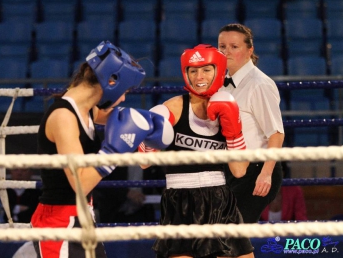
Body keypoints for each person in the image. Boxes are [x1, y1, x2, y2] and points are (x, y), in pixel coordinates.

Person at [30, 40, 174, 258]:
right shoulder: (64, 117)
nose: (124, 97)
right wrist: (113, 153)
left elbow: (126, 118)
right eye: (124, 90)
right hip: (59, 223)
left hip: (82, 217)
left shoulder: (88, 110)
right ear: (111, 81)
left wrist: (150, 132)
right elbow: (80, 183)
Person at [139, 44, 254, 258]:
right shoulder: (173, 108)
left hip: (220, 199)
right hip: (180, 202)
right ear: (186, 74)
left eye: (206, 70)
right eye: (193, 71)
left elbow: (239, 171)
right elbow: (144, 163)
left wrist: (233, 130)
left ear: (218, 71)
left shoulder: (230, 108)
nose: (199, 76)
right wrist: (150, 136)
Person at [217, 23, 285, 224]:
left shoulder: (259, 84)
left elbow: (276, 133)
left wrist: (266, 174)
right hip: (231, 169)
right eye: (222, 46)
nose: (226, 51)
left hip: (257, 170)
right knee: (231, 240)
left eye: (234, 46)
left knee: (231, 235)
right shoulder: (221, 83)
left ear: (249, 50)